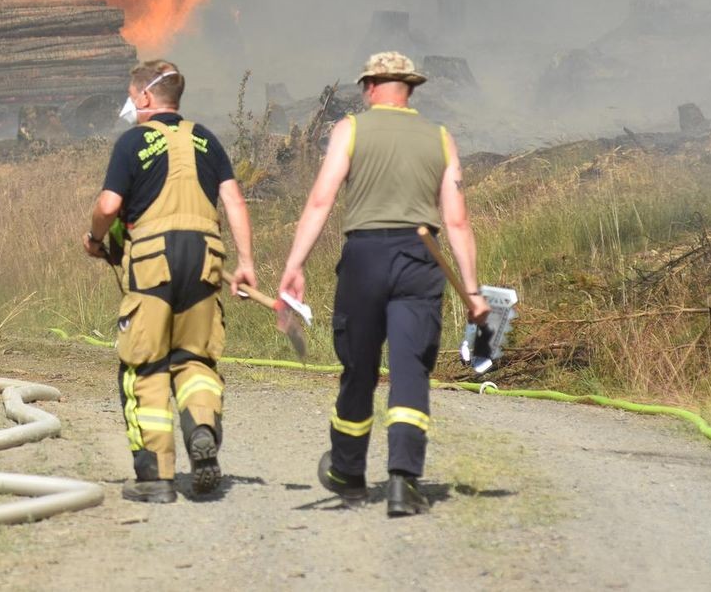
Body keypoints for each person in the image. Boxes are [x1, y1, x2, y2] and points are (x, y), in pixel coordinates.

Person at [277, 52, 490, 517]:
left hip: (365, 258)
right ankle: (403, 480)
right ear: (409, 89)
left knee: (360, 366)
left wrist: (295, 265)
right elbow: (457, 219)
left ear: (371, 86)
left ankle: (349, 472)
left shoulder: (349, 130)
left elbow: (321, 200)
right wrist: (472, 291)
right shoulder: (440, 137)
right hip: (420, 257)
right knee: (410, 366)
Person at [83, 60, 257, 503]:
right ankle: (201, 428)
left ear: (144, 98)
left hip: (153, 260)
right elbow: (233, 201)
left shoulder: (132, 141)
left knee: (146, 364)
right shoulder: (206, 139)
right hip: (206, 257)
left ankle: (156, 479)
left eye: (131, 95)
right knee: (195, 359)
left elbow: (108, 205)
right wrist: (247, 262)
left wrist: (94, 238)